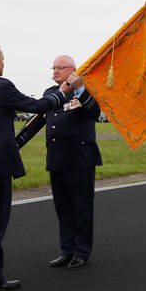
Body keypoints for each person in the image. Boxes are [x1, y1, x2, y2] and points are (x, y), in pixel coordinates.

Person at [0, 41, 72, 291]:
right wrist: (63, 91)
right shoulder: (0, 86)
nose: (3, 63)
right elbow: (39, 107)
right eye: (2, 58)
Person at [45, 55, 102, 270]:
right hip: (57, 158)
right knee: (63, 208)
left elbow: (94, 112)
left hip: (80, 158)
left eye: (60, 67)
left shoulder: (85, 90)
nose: (55, 71)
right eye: (54, 67)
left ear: (73, 70)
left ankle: (81, 251)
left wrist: (79, 88)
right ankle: (66, 250)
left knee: (81, 207)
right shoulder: (51, 93)